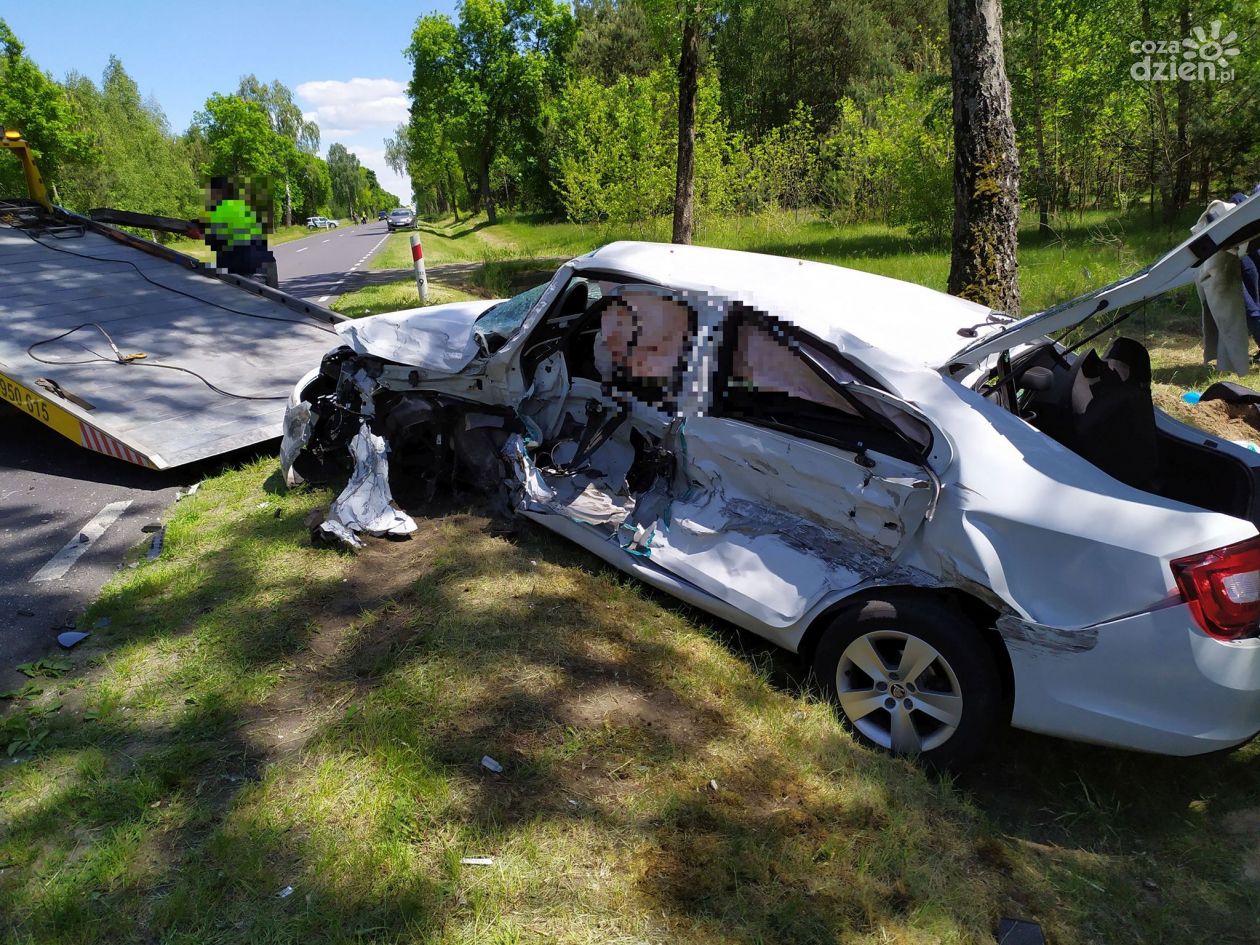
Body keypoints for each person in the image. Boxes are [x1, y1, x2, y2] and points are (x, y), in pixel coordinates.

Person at [203, 176, 278, 288]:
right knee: (276, 304)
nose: (208, 198)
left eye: (209, 194)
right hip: (268, 264)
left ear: (218, 193)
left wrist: (198, 233)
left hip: (249, 271)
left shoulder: (221, 210)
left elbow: (213, 238)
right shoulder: (244, 208)